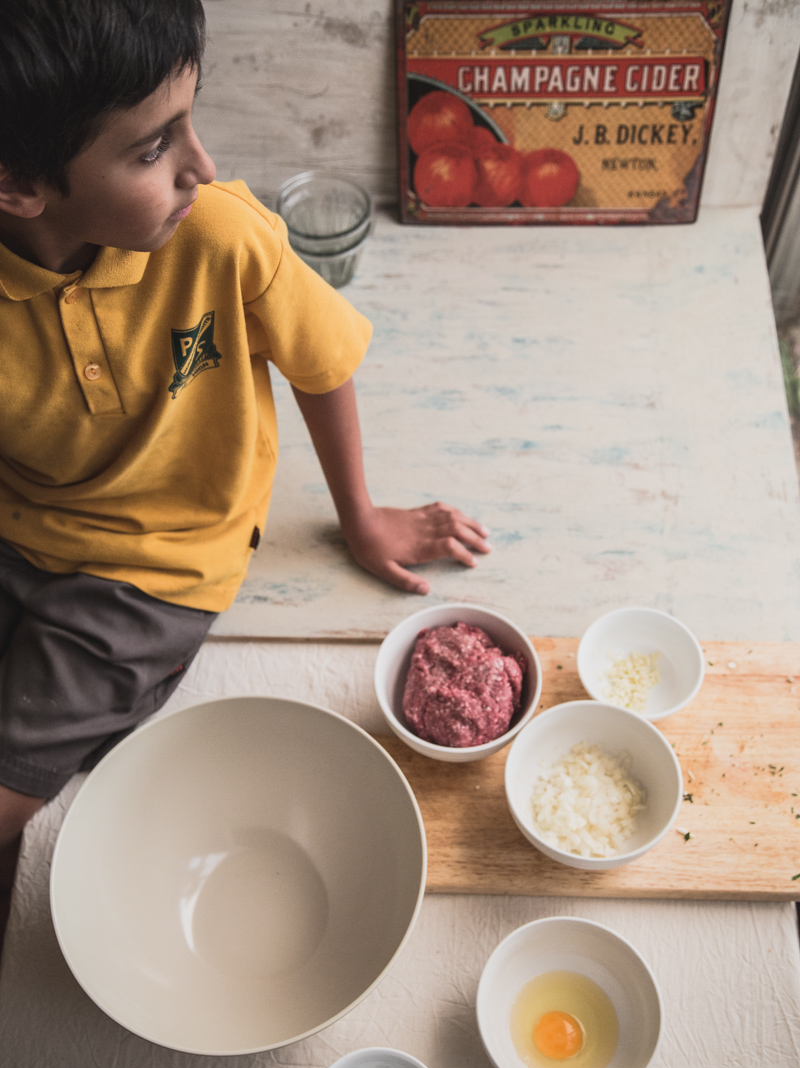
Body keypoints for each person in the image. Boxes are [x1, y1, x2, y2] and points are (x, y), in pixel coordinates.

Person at [0, 0, 491, 859]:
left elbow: (321, 360)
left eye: (189, 122)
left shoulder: (219, 233)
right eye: (154, 149)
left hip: (152, 569)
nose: (204, 165)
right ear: (17, 186)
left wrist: (362, 515)